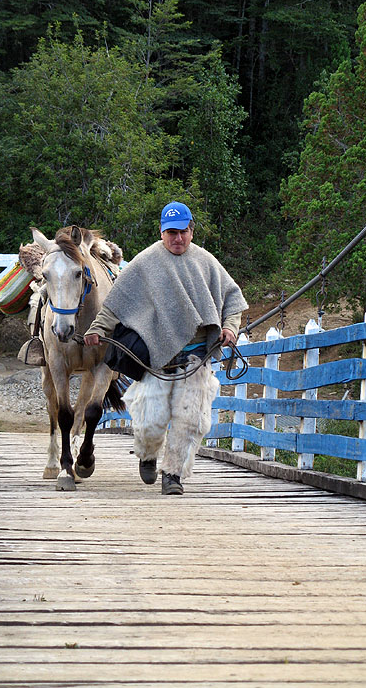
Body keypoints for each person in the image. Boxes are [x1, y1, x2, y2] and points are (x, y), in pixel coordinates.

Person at [84, 201, 248, 495]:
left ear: (191, 231)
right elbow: (117, 304)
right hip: (157, 356)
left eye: (183, 232)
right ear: (162, 232)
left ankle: (173, 474)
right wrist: (97, 329)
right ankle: (147, 455)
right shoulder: (145, 263)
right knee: (149, 419)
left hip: (197, 356)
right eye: (171, 232)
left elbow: (232, 300)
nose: (178, 239)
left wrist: (229, 328)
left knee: (191, 419)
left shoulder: (206, 262)